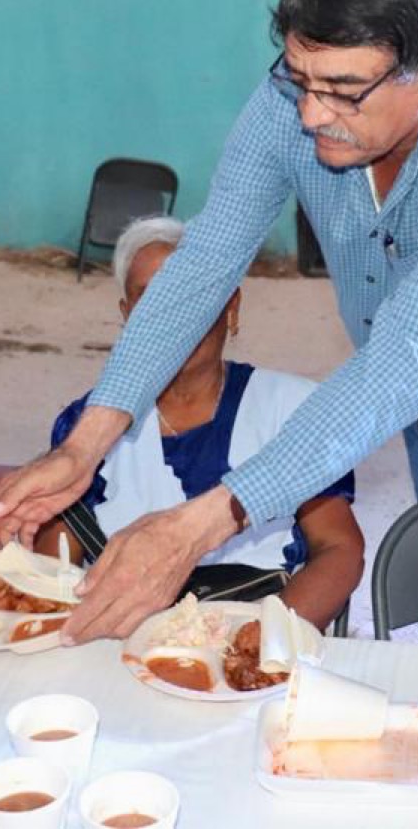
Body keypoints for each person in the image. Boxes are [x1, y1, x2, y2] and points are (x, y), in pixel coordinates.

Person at [0, 0, 418, 646]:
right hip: (407, 374)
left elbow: (409, 358)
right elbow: (202, 266)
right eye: (301, 79)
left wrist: (198, 527)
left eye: (345, 91)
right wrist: (86, 442)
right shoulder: (289, 102)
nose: (312, 113)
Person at [38, 217, 363, 630]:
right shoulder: (87, 429)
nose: (174, 318)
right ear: (127, 318)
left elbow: (339, 547)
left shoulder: (291, 409)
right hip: (115, 645)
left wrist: (264, 644)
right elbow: (52, 575)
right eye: (151, 298)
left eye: (192, 295)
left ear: (232, 308)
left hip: (254, 637)